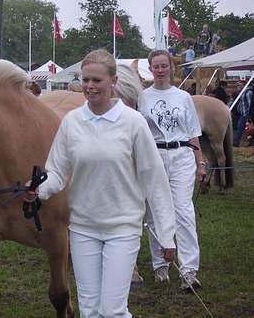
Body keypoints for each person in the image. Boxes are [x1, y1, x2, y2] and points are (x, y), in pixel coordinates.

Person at [25, 49, 176, 317]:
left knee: (113, 310)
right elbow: (57, 171)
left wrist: (166, 235)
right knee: (90, 309)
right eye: (85, 80)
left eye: (96, 80)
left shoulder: (133, 123)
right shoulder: (72, 122)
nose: (90, 86)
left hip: (123, 229)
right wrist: (39, 190)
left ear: (113, 82)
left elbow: (155, 180)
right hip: (83, 229)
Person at [138, 49, 206, 291]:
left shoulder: (183, 97)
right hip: (154, 155)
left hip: (181, 155)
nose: (160, 70)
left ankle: (189, 270)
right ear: (150, 68)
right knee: (156, 210)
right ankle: (160, 266)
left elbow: (193, 132)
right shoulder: (143, 97)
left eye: (164, 65)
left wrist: (200, 162)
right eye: (155, 66)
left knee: (183, 211)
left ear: (171, 68)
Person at [233, 83, 253, 147]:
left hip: (248, 114)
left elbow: (251, 104)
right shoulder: (242, 92)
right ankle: (236, 142)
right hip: (243, 114)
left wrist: (250, 115)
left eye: (239, 85)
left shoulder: (248, 93)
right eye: (237, 85)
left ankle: (251, 143)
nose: (238, 87)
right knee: (240, 127)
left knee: (249, 129)